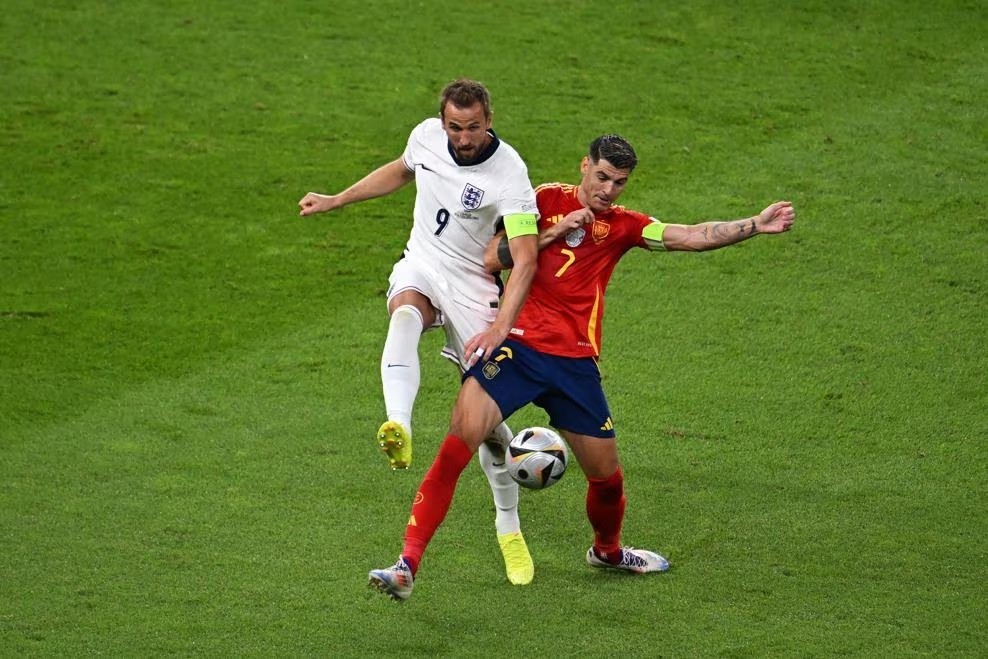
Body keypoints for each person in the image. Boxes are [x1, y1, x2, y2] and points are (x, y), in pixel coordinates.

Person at [368, 134, 797, 600]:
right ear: (584, 166)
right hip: (517, 350)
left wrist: (754, 225)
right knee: (456, 446)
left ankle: (607, 552)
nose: (609, 190)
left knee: (607, 479)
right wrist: (552, 232)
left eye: (620, 182)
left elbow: (689, 235)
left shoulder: (625, 226)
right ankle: (406, 565)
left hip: (574, 364)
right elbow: (492, 256)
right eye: (603, 177)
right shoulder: (540, 200)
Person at [298, 79, 540, 585]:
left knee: (485, 422)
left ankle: (509, 526)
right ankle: (399, 425)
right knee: (405, 314)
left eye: (473, 128)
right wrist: (338, 199)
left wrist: (501, 325)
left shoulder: (509, 172)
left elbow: (524, 258)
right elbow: (401, 170)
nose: (463, 138)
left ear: (489, 120)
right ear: (443, 121)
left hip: (475, 288)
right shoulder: (427, 136)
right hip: (424, 263)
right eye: (455, 127)